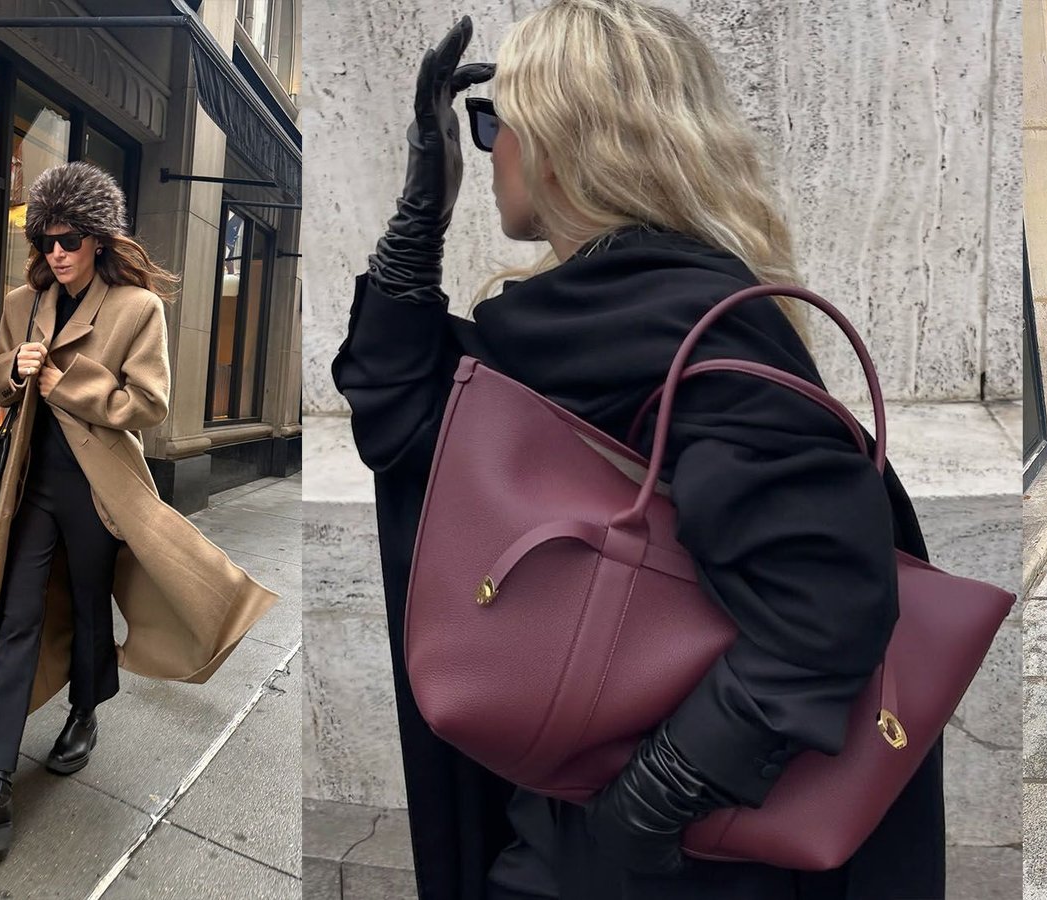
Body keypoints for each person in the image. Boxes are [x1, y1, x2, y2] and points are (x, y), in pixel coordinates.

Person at [333, 4, 945, 898]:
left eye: (495, 122)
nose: (487, 148)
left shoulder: (686, 324)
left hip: (678, 846)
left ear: (561, 143)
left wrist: (642, 813)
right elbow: (400, 425)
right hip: (580, 785)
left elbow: (828, 602)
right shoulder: (575, 312)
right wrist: (420, 217)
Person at [0, 162, 278, 854]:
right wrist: (13, 370)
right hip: (31, 487)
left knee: (92, 607)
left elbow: (147, 405)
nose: (57, 252)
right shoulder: (21, 303)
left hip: (98, 488)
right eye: (47, 240)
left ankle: (85, 711)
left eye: (70, 239)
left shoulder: (135, 308)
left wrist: (64, 383)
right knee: (16, 619)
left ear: (97, 239)